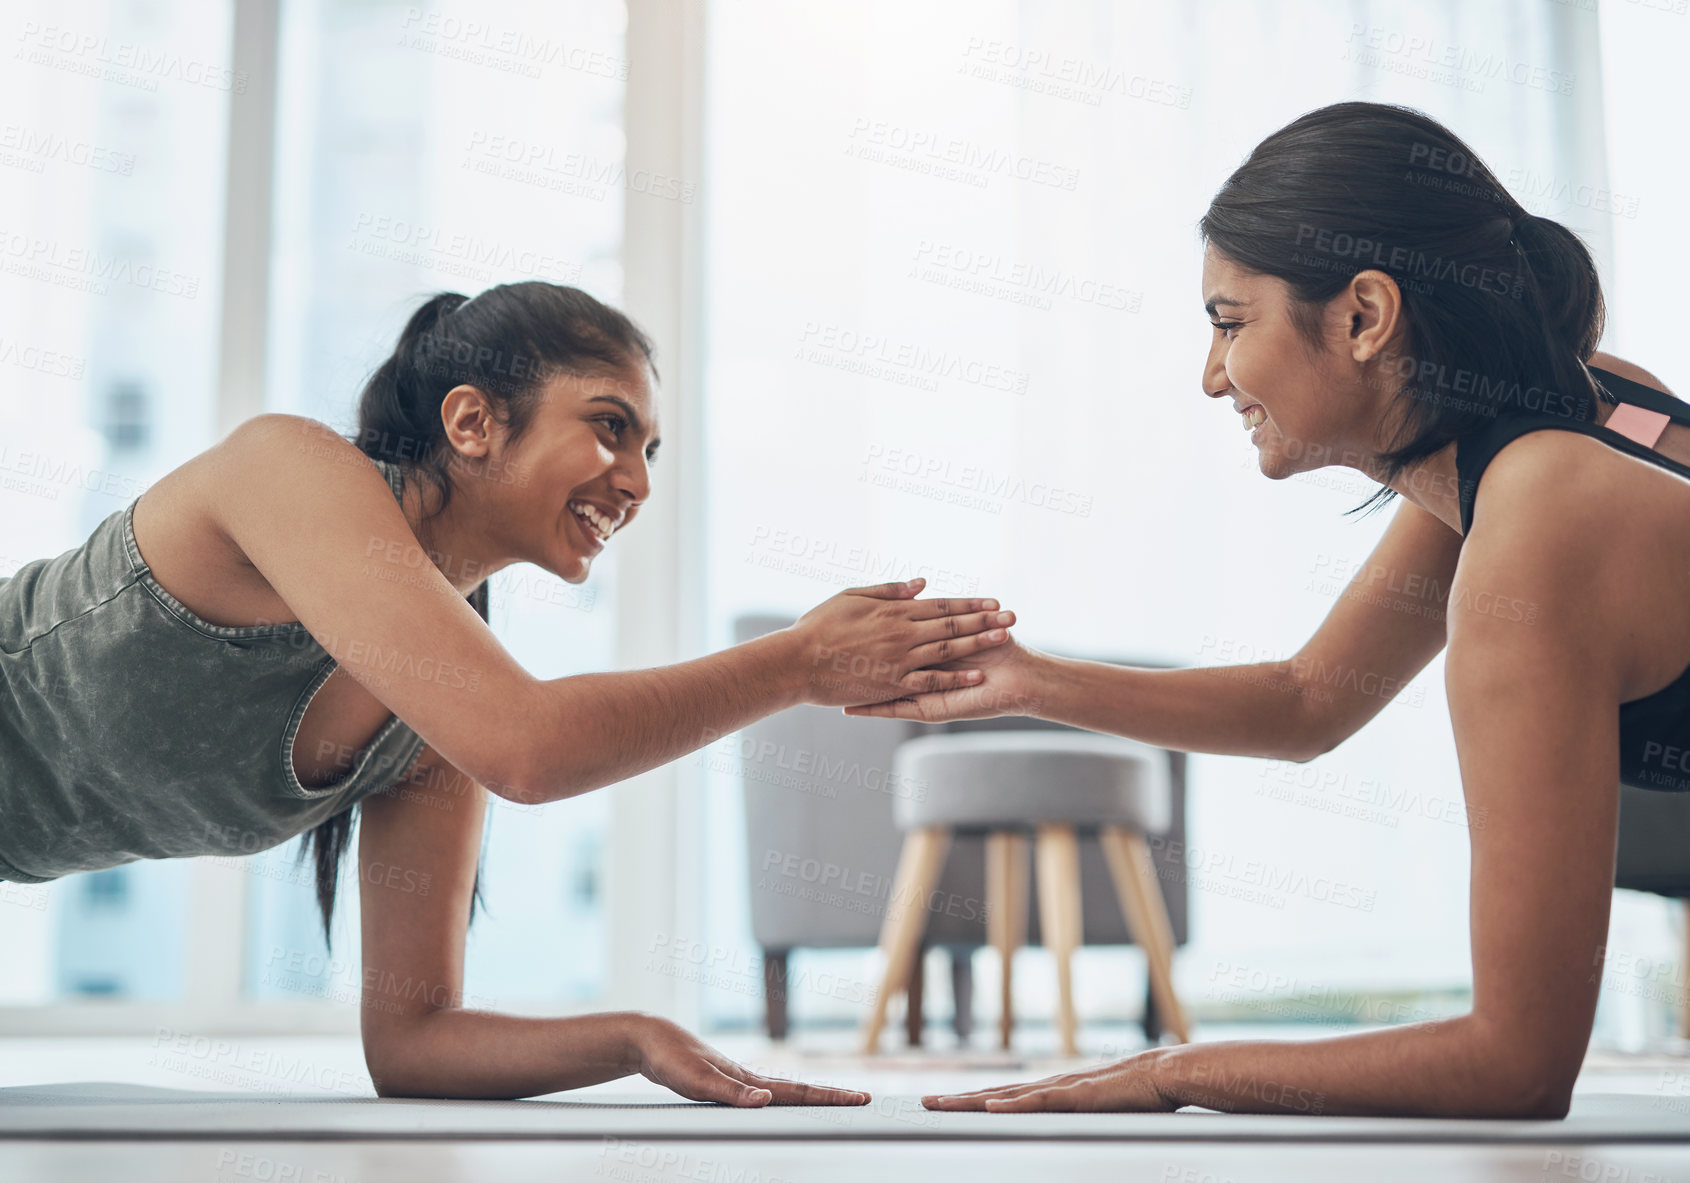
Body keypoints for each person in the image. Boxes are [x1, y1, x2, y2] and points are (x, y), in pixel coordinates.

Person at [853, 100, 1689, 1119]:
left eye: (1228, 322)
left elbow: (1515, 1063)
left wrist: (1174, 1068)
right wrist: (1031, 681)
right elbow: (1308, 702)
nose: (1212, 378)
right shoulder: (1565, 412)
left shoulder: (1543, 518)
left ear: (1363, 316)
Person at [0, 281, 1017, 1104]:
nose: (638, 482)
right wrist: (796, 663)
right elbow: (532, 748)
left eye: (650, 450)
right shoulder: (285, 468)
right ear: (474, 422)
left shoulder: (432, 715)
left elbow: (414, 1042)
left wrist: (631, 1035)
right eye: (611, 427)